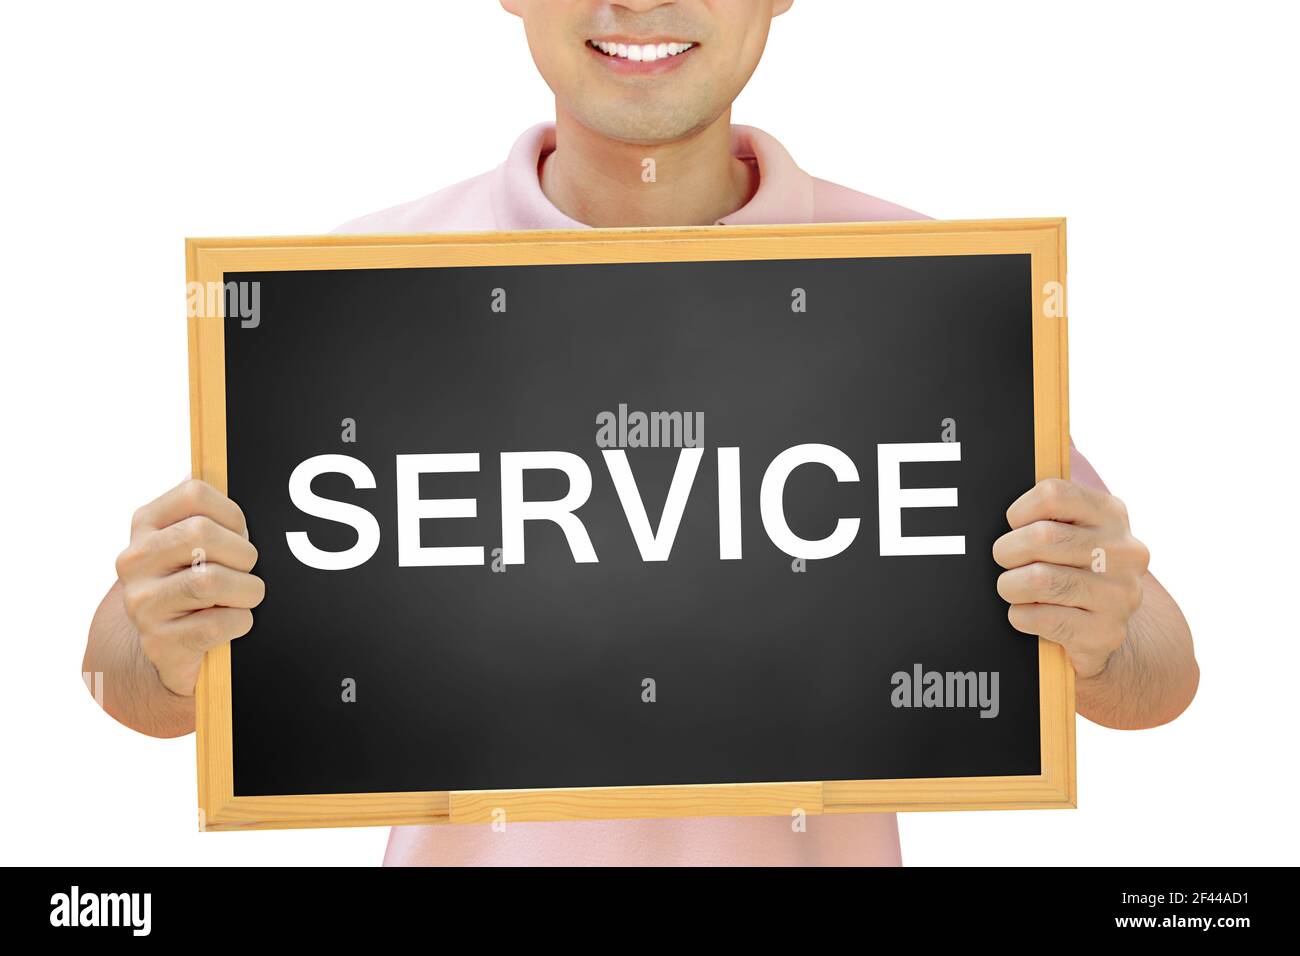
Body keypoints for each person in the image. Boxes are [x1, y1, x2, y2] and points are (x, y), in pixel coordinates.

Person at [84, 0, 1198, 866]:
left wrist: (1100, 623)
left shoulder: (928, 286)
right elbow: (129, 676)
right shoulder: (357, 290)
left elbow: (1160, 674)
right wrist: (161, 633)